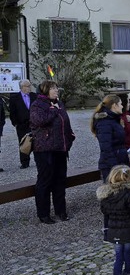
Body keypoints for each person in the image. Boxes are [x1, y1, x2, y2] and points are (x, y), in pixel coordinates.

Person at [31, 80, 75, 224]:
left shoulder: (59, 103)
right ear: (45, 90)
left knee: (60, 180)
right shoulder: (37, 105)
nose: (57, 91)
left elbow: (64, 121)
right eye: (53, 88)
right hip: (45, 150)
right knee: (45, 181)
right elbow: (40, 121)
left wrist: (70, 136)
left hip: (60, 149)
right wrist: (53, 109)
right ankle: (43, 214)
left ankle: (61, 211)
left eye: (57, 88)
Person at [91, 94, 128, 181]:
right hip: (112, 166)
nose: (122, 106)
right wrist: (115, 167)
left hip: (120, 162)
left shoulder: (113, 120)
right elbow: (106, 148)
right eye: (121, 104)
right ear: (114, 105)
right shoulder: (104, 123)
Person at [9, 79, 37, 169]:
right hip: (22, 124)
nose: (29, 88)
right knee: (23, 142)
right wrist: (15, 123)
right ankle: (25, 162)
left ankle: (38, 160)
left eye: (29, 86)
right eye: (27, 86)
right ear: (22, 87)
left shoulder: (34, 96)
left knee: (37, 142)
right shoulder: (15, 98)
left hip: (34, 124)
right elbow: (12, 112)